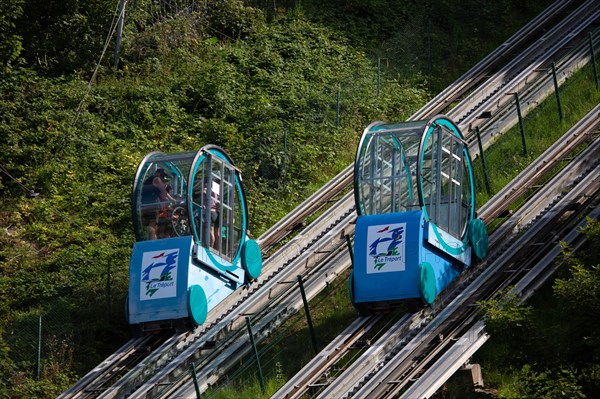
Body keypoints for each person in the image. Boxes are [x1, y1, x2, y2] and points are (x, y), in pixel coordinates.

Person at [141, 168, 175, 240]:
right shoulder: (156, 179)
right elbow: (163, 190)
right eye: (162, 175)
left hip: (145, 205)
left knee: (149, 223)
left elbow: (159, 193)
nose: (162, 178)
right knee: (153, 223)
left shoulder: (148, 181)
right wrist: (171, 199)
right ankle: (153, 240)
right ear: (157, 173)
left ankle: (151, 238)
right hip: (152, 206)